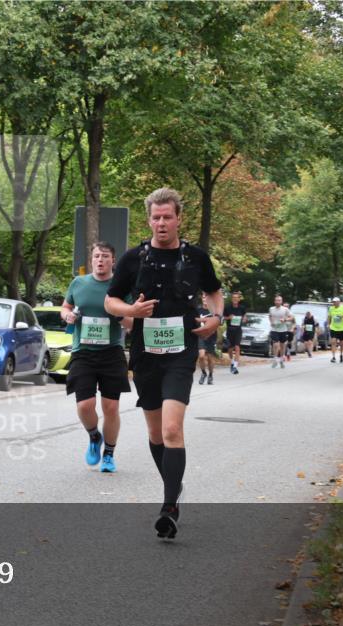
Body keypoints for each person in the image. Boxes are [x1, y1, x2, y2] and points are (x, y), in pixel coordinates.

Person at [104, 188, 223, 540]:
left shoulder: (196, 258)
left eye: (167, 217)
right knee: (156, 434)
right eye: (155, 217)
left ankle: (169, 506)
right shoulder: (133, 259)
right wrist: (131, 311)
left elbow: (215, 292)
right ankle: (175, 485)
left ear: (178, 218)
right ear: (149, 220)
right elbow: (111, 301)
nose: (161, 223)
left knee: (172, 429)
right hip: (144, 352)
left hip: (181, 350)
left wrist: (216, 316)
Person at [61, 242, 134, 473]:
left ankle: (109, 454)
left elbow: (133, 323)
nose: (100, 260)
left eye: (105, 256)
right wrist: (68, 316)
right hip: (83, 351)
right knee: (84, 405)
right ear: (91, 259)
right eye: (96, 256)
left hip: (112, 351)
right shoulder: (79, 283)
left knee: (111, 407)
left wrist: (119, 314)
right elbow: (65, 306)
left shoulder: (120, 286)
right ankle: (94, 436)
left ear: (113, 260)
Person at [223, 292, 246, 375]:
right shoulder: (227, 308)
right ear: (232, 299)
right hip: (230, 329)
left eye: (237, 298)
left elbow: (244, 315)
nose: (235, 299)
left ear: (239, 299)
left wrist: (244, 319)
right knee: (230, 348)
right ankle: (232, 362)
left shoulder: (242, 308)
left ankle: (235, 366)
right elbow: (223, 317)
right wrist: (229, 317)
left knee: (237, 347)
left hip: (238, 330)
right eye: (233, 297)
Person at [197, 294, 217, 384]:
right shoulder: (198, 309)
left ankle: (211, 375)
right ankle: (203, 373)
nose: (205, 299)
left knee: (210, 358)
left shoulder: (213, 310)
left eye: (207, 298)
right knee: (201, 356)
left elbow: (217, 323)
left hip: (211, 336)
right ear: (202, 299)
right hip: (201, 336)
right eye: (203, 297)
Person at [268, 295, 292, 368]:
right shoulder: (271, 309)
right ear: (274, 301)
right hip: (274, 329)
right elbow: (270, 316)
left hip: (283, 329)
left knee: (282, 345)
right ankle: (275, 359)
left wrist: (285, 320)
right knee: (275, 344)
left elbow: (291, 317)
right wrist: (271, 322)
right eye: (276, 300)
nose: (278, 302)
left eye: (279, 300)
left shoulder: (285, 309)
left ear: (281, 301)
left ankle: (281, 359)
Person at [328, 297, 343, 363]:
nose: (333, 303)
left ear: (338, 302)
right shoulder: (331, 308)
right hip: (333, 328)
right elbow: (329, 317)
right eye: (333, 302)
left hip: (342, 328)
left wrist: (342, 316)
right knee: (333, 341)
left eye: (335, 302)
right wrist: (328, 324)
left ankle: (341, 355)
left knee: (341, 343)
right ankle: (333, 357)